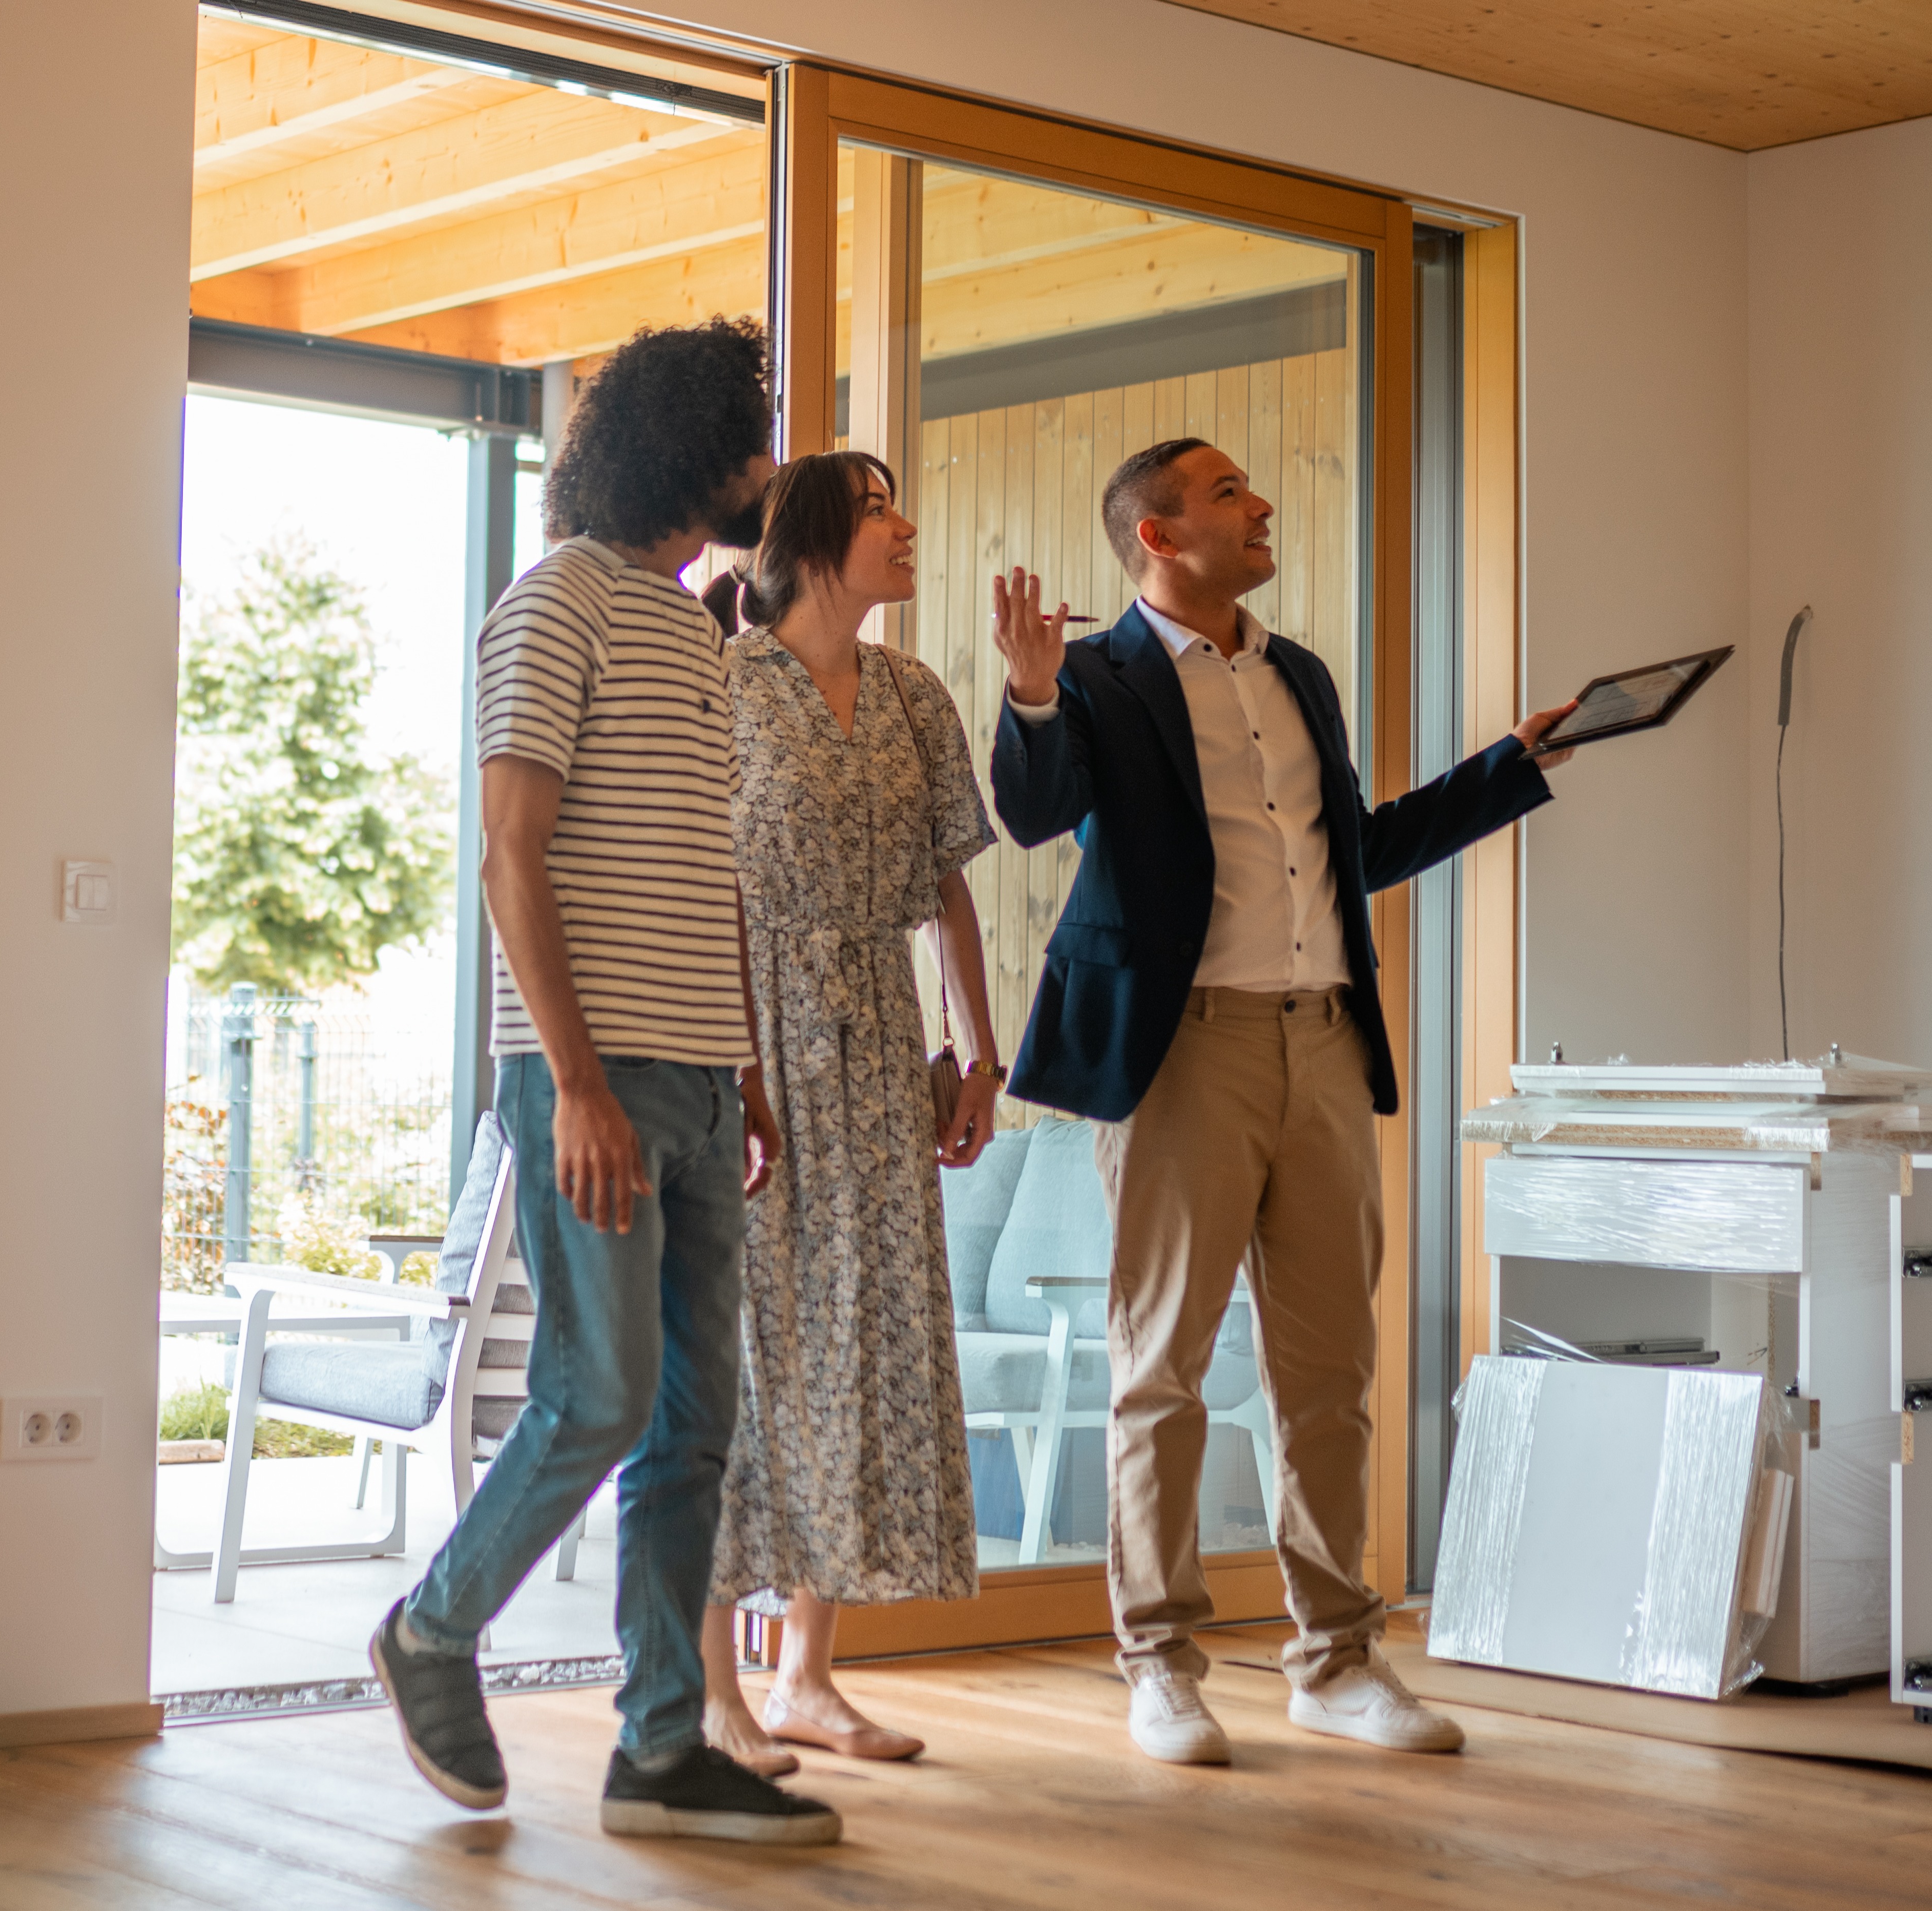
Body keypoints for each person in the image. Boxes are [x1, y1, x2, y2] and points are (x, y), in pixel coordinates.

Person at [985, 438, 1580, 1766]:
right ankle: (1162, 1667)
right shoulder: (1097, 674)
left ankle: (1336, 1661)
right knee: (1164, 1375)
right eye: (1229, 493)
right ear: (1158, 534)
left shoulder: (1296, 671)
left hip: (1321, 1044)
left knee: (1331, 1375)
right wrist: (1028, 697)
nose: (1261, 507)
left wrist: (1506, 766)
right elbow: (1033, 814)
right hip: (1180, 1053)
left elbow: (1352, 851)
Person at [363, 318, 839, 1846]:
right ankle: (434, 1629)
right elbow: (512, 852)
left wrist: (747, 1070)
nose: (768, 465)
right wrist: (573, 1083)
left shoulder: (700, 636)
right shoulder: (552, 600)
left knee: (698, 1421)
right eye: (748, 439)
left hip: (703, 1077)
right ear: (680, 449)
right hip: (597, 1077)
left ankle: (659, 1744)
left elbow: (705, 878)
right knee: (601, 1390)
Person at [689, 451, 1008, 1776]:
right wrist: (738, 1059)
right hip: (752, 1037)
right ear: (817, 537)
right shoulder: (724, 681)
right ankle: (712, 1690)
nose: (909, 526)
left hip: (880, 1040)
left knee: (863, 1344)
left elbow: (948, 884)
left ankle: (809, 1673)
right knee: (748, 1356)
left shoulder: (917, 691)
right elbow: (702, 886)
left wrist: (977, 1050)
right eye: (881, 511)